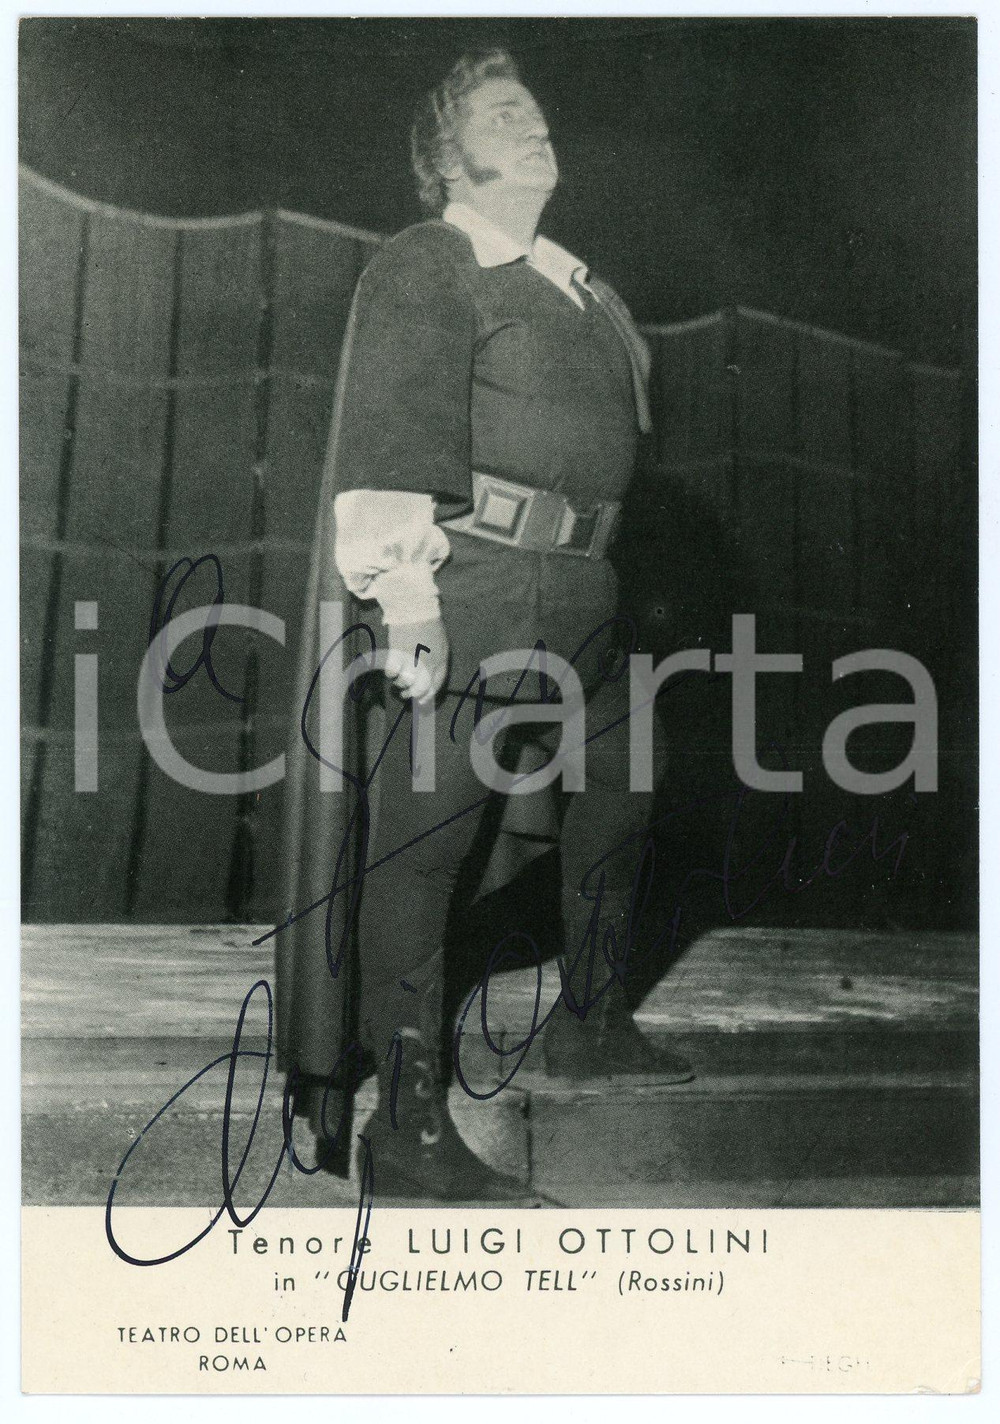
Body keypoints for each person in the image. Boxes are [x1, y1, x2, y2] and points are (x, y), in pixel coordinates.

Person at [276, 48, 694, 1202]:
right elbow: (390, 428)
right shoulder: (434, 260)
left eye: (540, 112)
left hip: (585, 591)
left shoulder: (571, 282)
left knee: (628, 782)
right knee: (425, 846)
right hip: (481, 586)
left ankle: (590, 1022)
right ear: (447, 157)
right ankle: (405, 1130)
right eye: (505, 116)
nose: (536, 127)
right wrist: (406, 598)